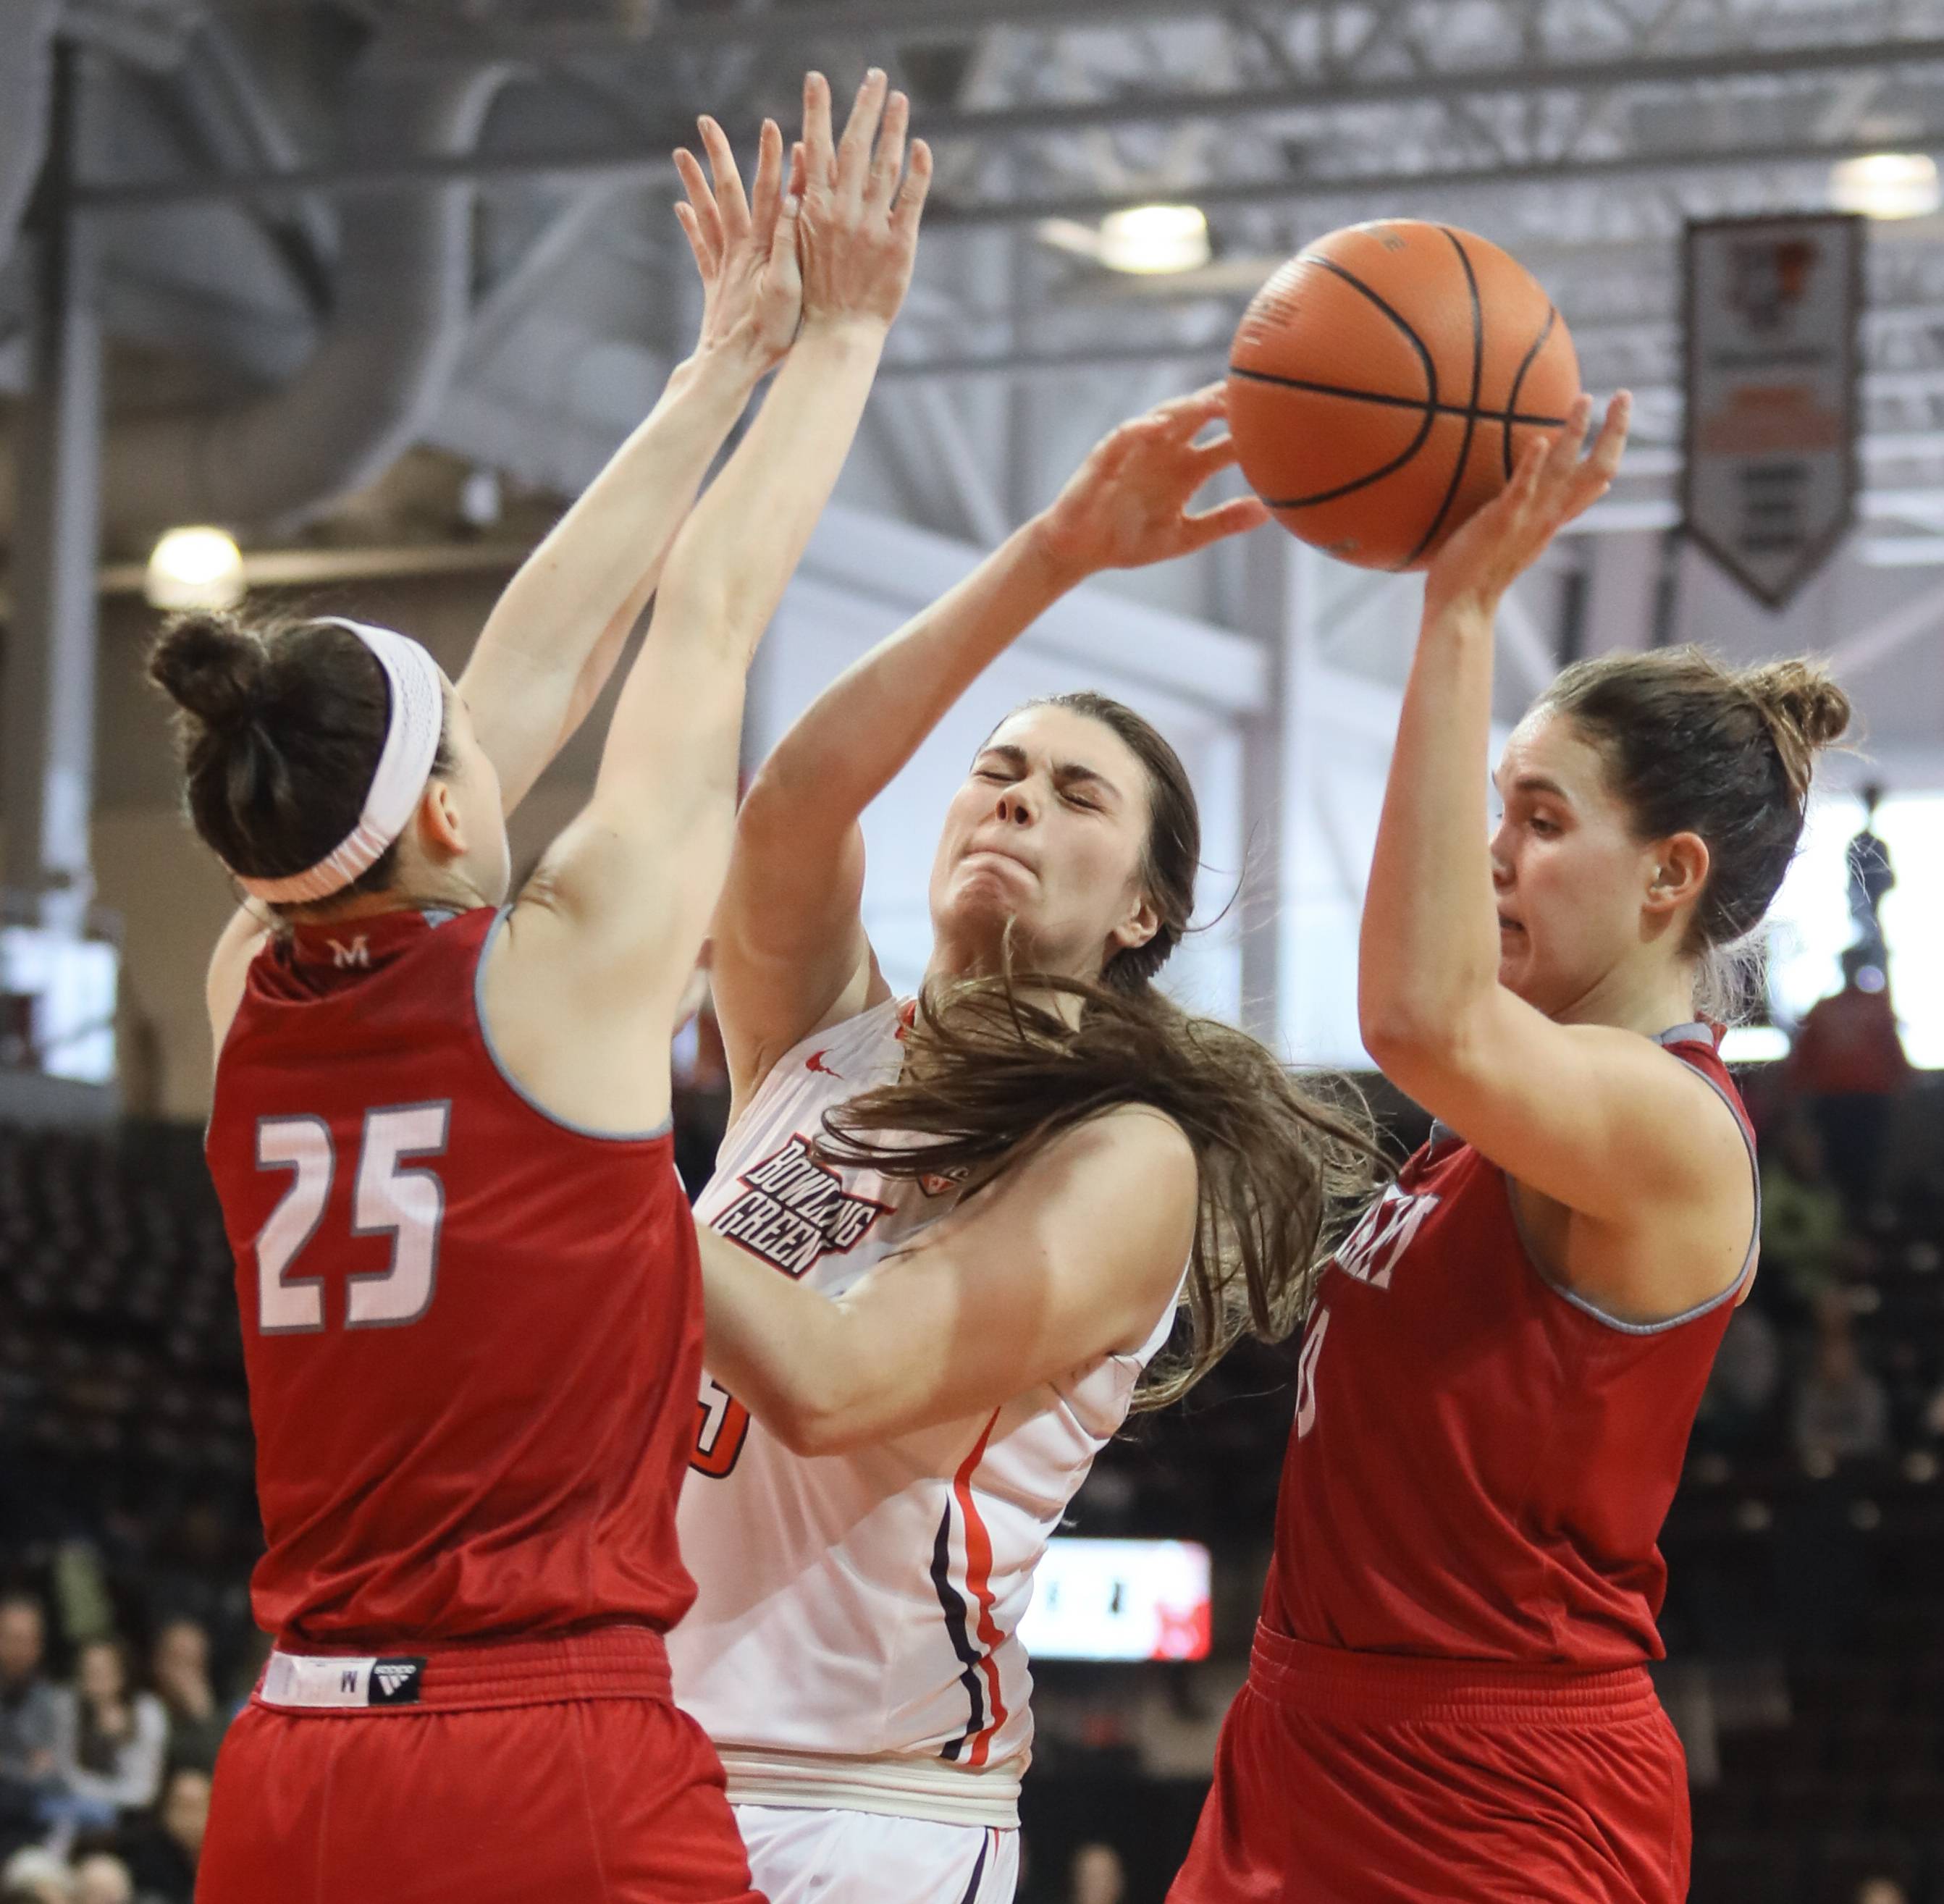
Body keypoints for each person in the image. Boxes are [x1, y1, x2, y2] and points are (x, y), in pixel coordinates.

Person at [151, 70, 928, 1904]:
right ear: (434, 800)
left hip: (287, 1772)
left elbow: (506, 692)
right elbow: (701, 615)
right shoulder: (562, 982)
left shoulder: (247, 971)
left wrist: (715, 358)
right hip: (538, 1749)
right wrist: (836, 336)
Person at [672, 385, 1373, 1904]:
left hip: (857, 1804)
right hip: (641, 1745)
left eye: (1075, 794)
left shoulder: (1124, 1155)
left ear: (1139, 913)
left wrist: (568, 1162)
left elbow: (831, 1382)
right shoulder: (827, 1036)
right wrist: (1053, 553)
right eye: (998, 768)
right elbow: (792, 802)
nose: (1014, 797)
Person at [1168, 393, 1853, 1904]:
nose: (1488, 851)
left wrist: (1462, 602)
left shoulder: (1671, 1124)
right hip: (1307, 1721)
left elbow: (1418, 1013)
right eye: (1500, 808)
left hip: (1492, 1781)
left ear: (1670, 874)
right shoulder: (1496, 1122)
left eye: (1538, 817)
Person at [1788, 943, 1912, 1218]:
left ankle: (1866, 1219)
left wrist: (1903, 1087)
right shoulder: (1823, 1009)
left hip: (1870, 1100)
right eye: (1848, 962)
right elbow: (1804, 1060)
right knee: (1832, 1164)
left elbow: (1893, 1051)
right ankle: (1837, 1223)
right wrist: (1796, 1102)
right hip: (1832, 1102)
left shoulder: (1877, 1005)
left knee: (1870, 1161)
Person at [49, 1640, 167, 1818]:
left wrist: (121, 1742)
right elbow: (65, 1774)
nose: (94, 1679)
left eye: (102, 1671)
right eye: (87, 1672)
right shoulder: (68, 1706)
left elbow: (144, 1791)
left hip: (134, 1813)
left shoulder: (147, 1711)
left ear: (121, 1674)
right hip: (79, 1808)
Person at [0, 1599, 59, 1839]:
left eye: (27, 1640)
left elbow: (50, 1775)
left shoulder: (52, 1700)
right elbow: (33, 1767)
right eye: (11, 1638)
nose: (18, 1649)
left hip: (29, 1818)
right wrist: (25, 1769)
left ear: (39, 1647)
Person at [114, 1767, 206, 1904]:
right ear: (165, 1809)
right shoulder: (141, 1848)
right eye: (182, 1807)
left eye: (197, 1808)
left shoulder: (228, 1857)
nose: (190, 1819)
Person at [143, 1626, 223, 1777]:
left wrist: (203, 1714)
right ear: (158, 1662)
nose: (185, 1673)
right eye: (179, 1661)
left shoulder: (213, 1714)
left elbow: (220, 1769)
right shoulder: (141, 1706)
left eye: (194, 1663)